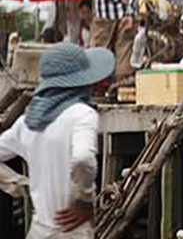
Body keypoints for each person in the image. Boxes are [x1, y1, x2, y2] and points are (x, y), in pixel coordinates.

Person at [0, 42, 116, 238]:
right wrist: (84, 200)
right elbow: (82, 159)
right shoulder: (82, 114)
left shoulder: (28, 122)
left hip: (39, 230)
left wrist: (20, 185)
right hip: (72, 231)